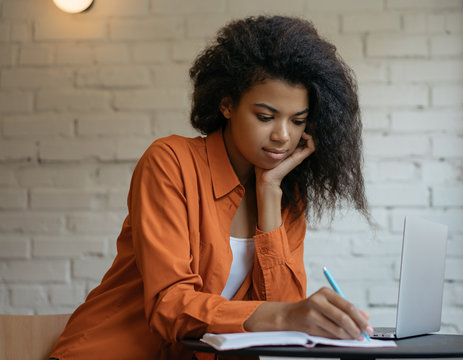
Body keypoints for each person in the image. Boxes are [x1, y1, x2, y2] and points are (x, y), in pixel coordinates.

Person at [49, 15, 371, 360]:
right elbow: (169, 305)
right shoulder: (170, 162)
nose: (283, 135)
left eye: (298, 121)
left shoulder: (286, 196)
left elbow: (283, 319)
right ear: (227, 104)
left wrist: (269, 193)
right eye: (265, 116)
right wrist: (286, 315)